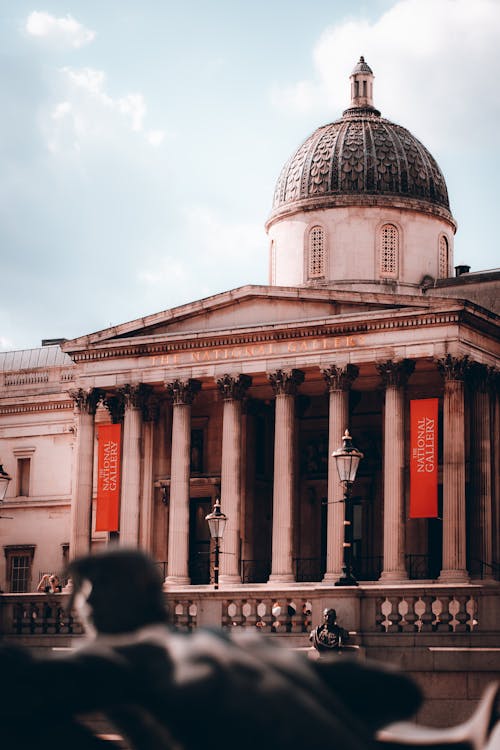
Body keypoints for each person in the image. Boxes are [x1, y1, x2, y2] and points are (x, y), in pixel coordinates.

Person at [0, 548, 423, 749]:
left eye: (83, 597)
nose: (78, 607)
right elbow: (397, 692)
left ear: (97, 604)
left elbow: (18, 683)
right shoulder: (244, 643)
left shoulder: (130, 660)